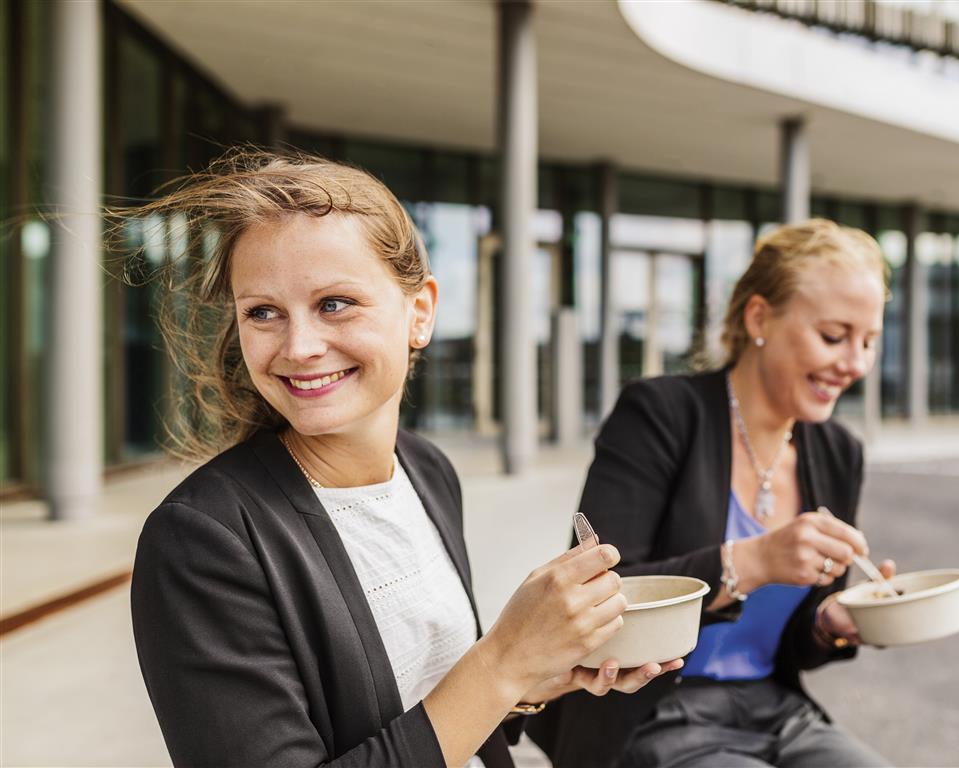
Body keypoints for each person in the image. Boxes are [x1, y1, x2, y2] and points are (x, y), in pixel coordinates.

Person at [127, 150, 682, 768]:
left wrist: (534, 677)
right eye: (263, 312)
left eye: (334, 303)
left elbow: (425, 702)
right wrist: (501, 662)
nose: (300, 346)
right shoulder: (202, 540)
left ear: (420, 313)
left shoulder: (426, 469)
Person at [527, 219, 895, 768]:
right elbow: (601, 597)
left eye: (868, 341)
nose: (854, 363)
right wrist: (753, 561)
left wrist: (830, 622)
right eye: (834, 336)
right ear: (759, 317)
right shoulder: (659, 415)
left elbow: (793, 643)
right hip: (651, 713)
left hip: (775, 710)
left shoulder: (839, 451)